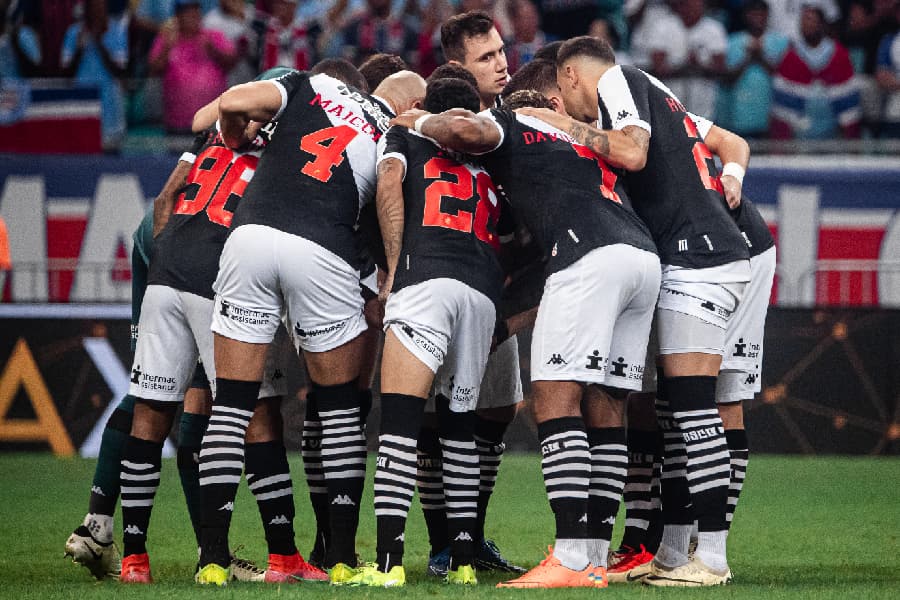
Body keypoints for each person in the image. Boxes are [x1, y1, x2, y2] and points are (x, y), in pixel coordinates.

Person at [391, 65, 660, 587]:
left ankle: (569, 557)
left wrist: (418, 121)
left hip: (589, 252)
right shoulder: (577, 140)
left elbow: (466, 130)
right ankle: (594, 557)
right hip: (641, 257)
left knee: (555, 398)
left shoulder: (511, 123)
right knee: (607, 403)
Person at [521, 35, 751, 586]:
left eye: (565, 94)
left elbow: (632, 153)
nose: (569, 106)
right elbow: (719, 143)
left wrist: (557, 123)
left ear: (571, 76)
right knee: (678, 412)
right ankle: (673, 555)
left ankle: (712, 558)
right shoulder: (659, 94)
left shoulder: (619, 81)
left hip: (699, 258)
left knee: (694, 410)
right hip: (704, 256)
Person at [194, 66, 425, 585]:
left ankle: (212, 561)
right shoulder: (398, 134)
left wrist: (235, 137)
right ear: (411, 106)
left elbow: (231, 101)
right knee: (339, 410)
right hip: (323, 249)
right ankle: (340, 559)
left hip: (250, 237)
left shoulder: (311, 83)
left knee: (231, 406)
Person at [347, 76, 510, 588]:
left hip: (426, 282)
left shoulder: (405, 134)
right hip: (481, 294)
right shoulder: (492, 154)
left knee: (399, 425)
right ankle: (462, 564)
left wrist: (393, 270)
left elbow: (388, 185)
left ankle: (389, 566)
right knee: (460, 429)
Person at [770, 1, 861, 139]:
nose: (806, 25)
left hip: (832, 131)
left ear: (822, 24)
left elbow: (848, 102)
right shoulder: (791, 56)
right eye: (803, 21)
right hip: (799, 132)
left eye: (811, 20)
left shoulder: (838, 54)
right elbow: (783, 105)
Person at [149, 0, 237, 132]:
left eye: (195, 11)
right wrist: (167, 47)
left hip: (214, 124)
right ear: (178, 16)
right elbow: (154, 69)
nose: (192, 15)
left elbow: (232, 62)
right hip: (178, 124)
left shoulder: (213, 36)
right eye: (187, 12)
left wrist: (213, 50)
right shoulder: (167, 38)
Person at [59, 0, 129, 150]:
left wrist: (99, 42)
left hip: (110, 111)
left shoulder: (117, 31)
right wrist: (79, 48)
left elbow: (120, 71)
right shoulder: (73, 32)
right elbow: (66, 73)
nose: (96, 11)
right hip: (82, 108)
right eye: (93, 6)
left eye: (100, 6)